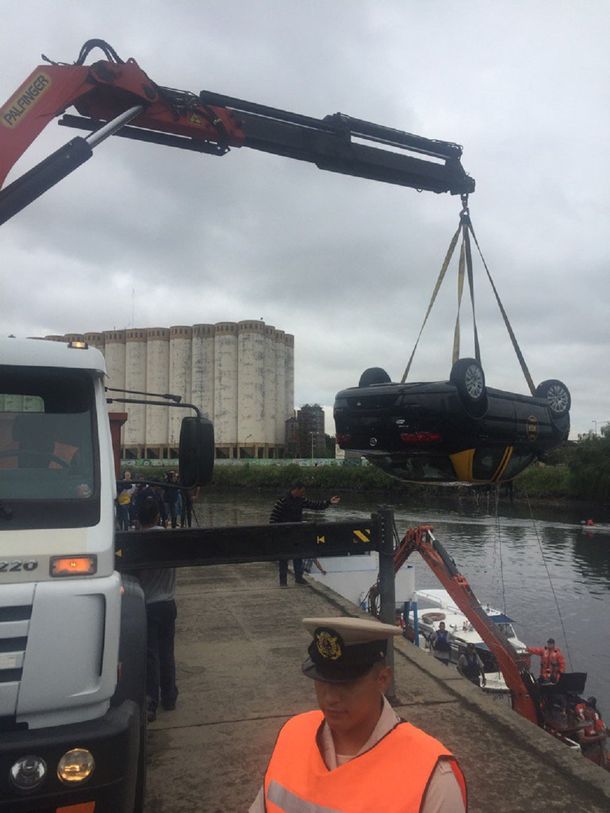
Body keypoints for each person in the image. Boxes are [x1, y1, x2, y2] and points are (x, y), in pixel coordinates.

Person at [249, 616, 467, 812]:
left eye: (346, 682)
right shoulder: (293, 735)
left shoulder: (433, 778)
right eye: (322, 680)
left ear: (382, 679)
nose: (330, 697)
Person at [133, 496, 178, 723]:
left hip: (147, 604)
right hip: (168, 603)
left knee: (150, 655)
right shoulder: (170, 538)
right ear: (159, 516)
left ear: (138, 519)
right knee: (167, 651)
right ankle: (170, 696)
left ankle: (152, 700)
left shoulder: (136, 541)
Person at [269, 482, 340, 586]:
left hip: (296, 532)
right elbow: (273, 518)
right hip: (283, 533)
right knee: (284, 558)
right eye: (302, 491)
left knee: (298, 555)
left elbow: (314, 505)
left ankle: (299, 578)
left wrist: (328, 502)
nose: (303, 494)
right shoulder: (282, 501)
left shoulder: (301, 500)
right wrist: (275, 532)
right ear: (296, 490)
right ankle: (283, 581)